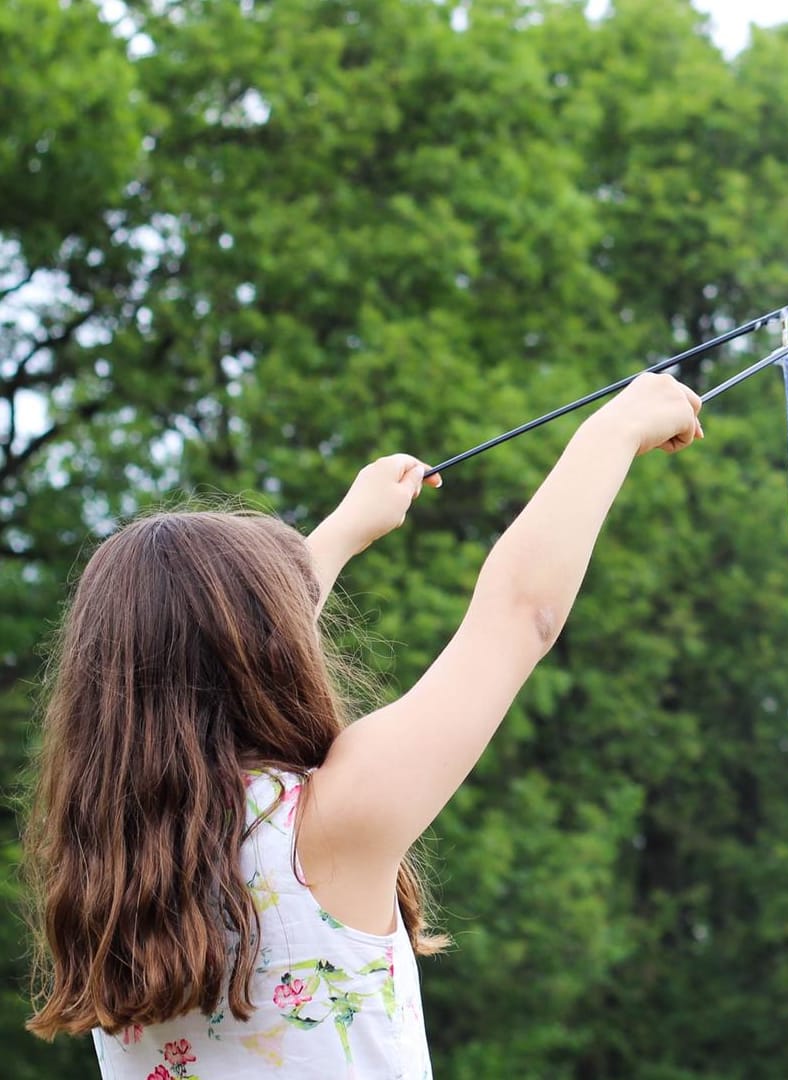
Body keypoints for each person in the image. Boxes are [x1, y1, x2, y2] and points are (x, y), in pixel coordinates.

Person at [19, 372, 705, 1078]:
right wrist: (613, 430)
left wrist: (345, 529)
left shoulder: (113, 869)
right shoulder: (320, 828)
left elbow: (214, 652)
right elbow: (519, 612)